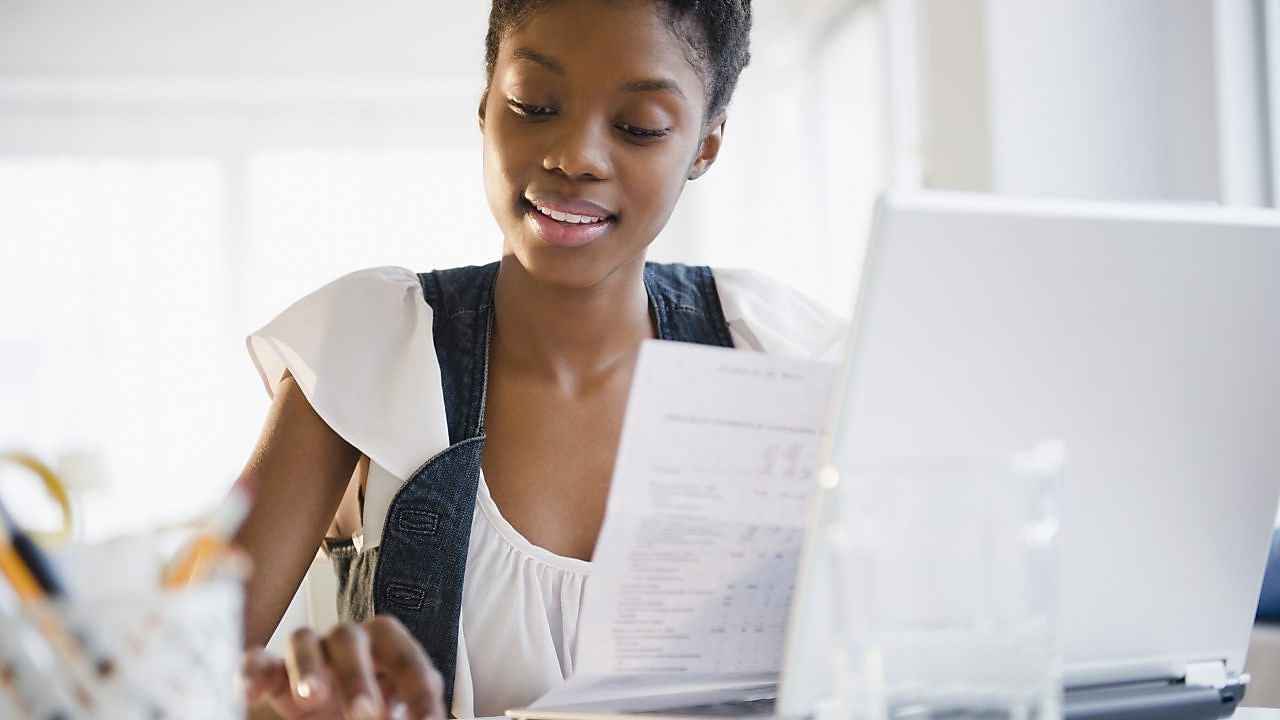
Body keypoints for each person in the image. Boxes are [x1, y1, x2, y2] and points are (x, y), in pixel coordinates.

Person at [234, 0, 847, 718]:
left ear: (706, 146)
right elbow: (164, 681)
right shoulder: (366, 354)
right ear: (486, 104)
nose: (574, 157)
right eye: (533, 104)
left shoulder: (777, 358)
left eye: (638, 126)